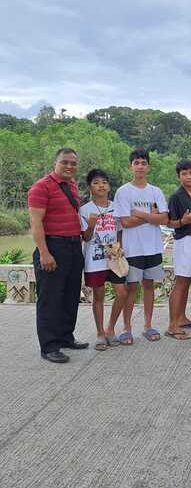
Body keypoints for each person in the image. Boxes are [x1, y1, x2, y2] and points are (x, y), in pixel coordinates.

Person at [28, 148, 88, 363]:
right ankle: (49, 346)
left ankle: (65, 336)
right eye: (65, 162)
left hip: (73, 246)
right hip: (53, 246)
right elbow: (36, 223)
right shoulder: (41, 187)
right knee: (50, 299)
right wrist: (44, 253)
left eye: (73, 163)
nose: (69, 166)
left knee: (70, 295)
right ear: (55, 163)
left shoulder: (72, 186)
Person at [113, 149, 169, 345]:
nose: (140, 166)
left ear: (148, 167)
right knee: (131, 287)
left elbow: (164, 218)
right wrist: (151, 216)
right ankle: (126, 328)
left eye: (143, 163)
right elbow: (125, 222)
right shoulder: (123, 191)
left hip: (153, 247)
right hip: (132, 249)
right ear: (131, 166)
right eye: (136, 163)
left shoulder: (156, 191)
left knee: (149, 285)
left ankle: (147, 325)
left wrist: (139, 213)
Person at [80, 169, 128, 351]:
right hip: (94, 260)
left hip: (115, 258)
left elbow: (120, 231)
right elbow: (85, 238)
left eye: (104, 182)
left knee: (122, 293)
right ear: (90, 187)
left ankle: (110, 328)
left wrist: (120, 249)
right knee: (98, 296)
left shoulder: (117, 207)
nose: (101, 185)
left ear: (109, 186)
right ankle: (100, 333)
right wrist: (91, 225)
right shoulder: (84, 210)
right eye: (96, 182)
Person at [166, 159, 191, 340]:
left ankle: (181, 318)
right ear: (179, 176)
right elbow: (170, 222)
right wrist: (183, 221)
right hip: (184, 242)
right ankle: (172, 325)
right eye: (184, 174)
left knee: (188, 280)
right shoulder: (177, 196)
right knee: (181, 282)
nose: (188, 176)